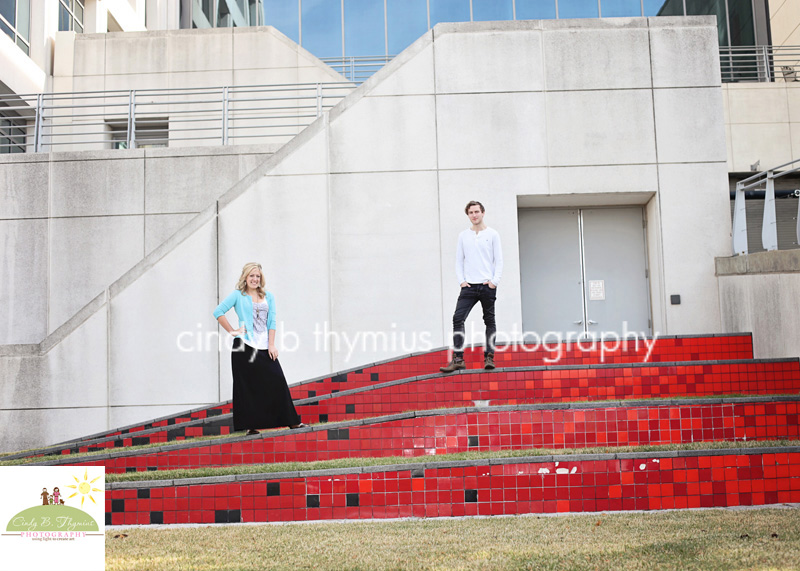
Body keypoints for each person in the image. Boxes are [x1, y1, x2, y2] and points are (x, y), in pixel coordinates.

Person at [213, 262, 306, 434]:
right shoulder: (237, 295)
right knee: (247, 386)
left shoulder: (268, 296)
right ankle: (251, 426)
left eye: (258, 276)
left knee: (277, 379)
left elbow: (272, 321)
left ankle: (292, 422)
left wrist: (271, 344)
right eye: (251, 276)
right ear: (245, 277)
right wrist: (233, 331)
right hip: (244, 346)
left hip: (264, 345)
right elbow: (218, 312)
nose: (255, 279)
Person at [441, 201, 503, 372]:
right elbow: (459, 260)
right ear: (468, 215)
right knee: (457, 318)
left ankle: (489, 357)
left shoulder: (493, 234)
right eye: (471, 212)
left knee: (489, 321)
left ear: (483, 213)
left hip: (486, 286)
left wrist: (494, 282)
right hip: (468, 286)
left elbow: (499, 260)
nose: (474, 215)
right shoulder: (463, 236)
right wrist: (462, 281)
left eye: (477, 211)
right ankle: (458, 358)